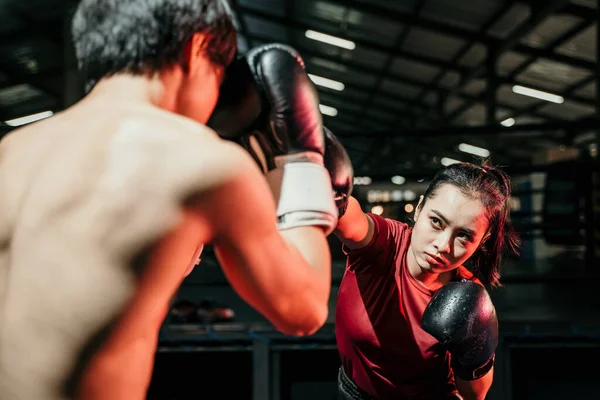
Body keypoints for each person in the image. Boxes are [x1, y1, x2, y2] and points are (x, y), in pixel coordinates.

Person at [0, 1, 339, 400]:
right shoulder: (201, 160)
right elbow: (303, 309)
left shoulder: (14, 149)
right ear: (199, 46)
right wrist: (302, 159)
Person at [330, 152, 520, 400]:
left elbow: (475, 395)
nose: (443, 245)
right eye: (436, 222)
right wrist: (327, 188)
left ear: (481, 241)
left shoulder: (468, 298)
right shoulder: (382, 244)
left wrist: (475, 354)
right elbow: (348, 217)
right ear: (419, 209)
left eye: (463, 236)